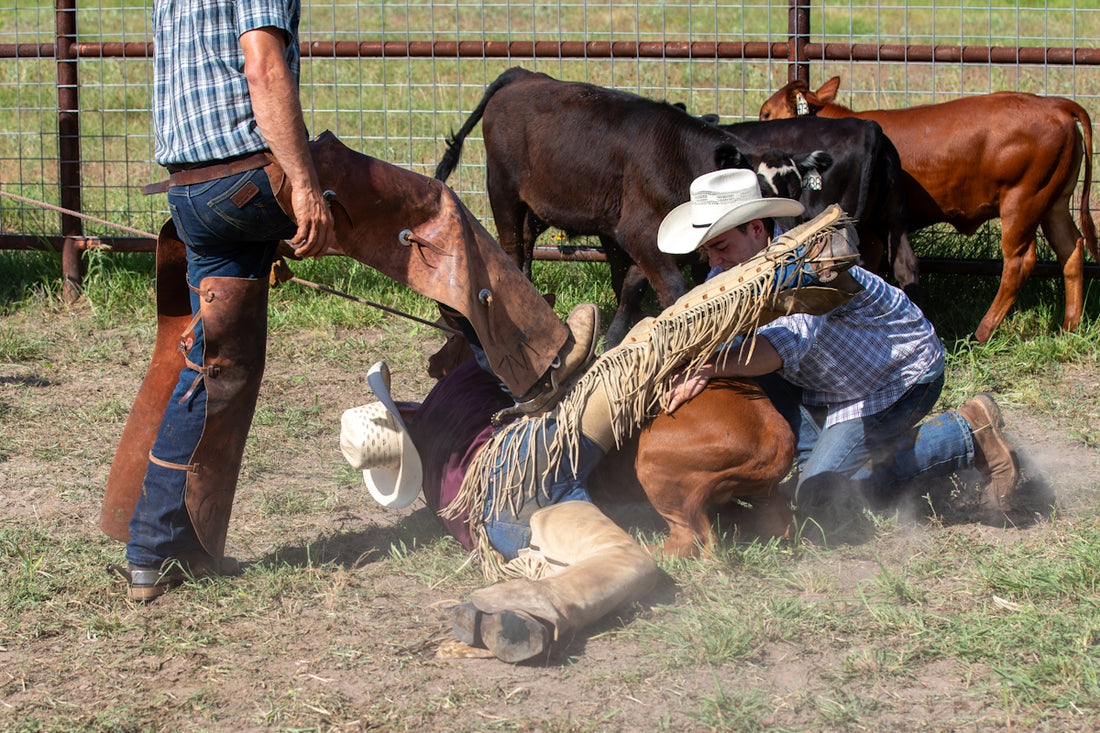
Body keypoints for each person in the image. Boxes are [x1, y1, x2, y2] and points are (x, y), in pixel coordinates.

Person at [101, 0, 597, 602]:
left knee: (217, 368)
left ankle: (155, 554)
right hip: (257, 175)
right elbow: (262, 66)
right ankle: (540, 360)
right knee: (432, 211)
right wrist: (304, 184)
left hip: (192, 191)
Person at [340, 206, 864, 663]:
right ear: (404, 411)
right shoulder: (457, 385)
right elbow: (503, 359)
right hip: (524, 457)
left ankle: (544, 602)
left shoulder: (437, 500)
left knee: (622, 558)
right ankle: (790, 269)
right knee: (648, 344)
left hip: (502, 528)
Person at [657, 168, 1021, 543]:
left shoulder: (804, 266)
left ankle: (967, 434)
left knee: (819, 496)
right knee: (747, 373)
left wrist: (708, 367)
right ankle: (818, 454)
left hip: (896, 378)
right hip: (832, 379)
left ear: (755, 229)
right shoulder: (732, 270)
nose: (714, 261)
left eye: (721, 246)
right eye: (709, 250)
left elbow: (784, 346)